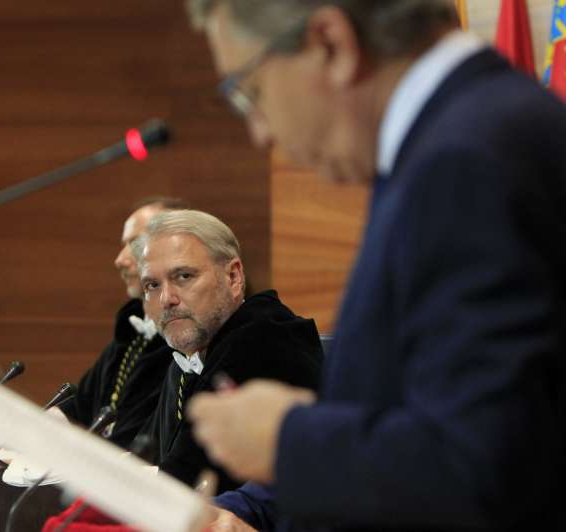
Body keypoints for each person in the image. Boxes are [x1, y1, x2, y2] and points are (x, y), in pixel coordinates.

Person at [185, 1, 566, 531]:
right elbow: (427, 411)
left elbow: (485, 468)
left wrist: (288, 439)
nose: (261, 134)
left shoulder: (465, 162)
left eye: (251, 91)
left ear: (331, 44)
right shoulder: (467, 137)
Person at [132, 209, 323, 494]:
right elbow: (150, 454)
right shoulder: (186, 359)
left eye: (184, 276)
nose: (166, 299)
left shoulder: (265, 339)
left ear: (233, 277)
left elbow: (184, 482)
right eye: (152, 285)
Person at [55, 196, 187, 449]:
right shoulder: (132, 327)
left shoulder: (187, 336)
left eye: (135, 244)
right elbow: (79, 406)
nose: (120, 260)